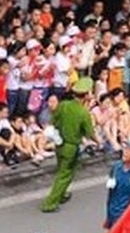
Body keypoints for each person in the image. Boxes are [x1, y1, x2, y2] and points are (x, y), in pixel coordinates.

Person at [40, 78, 94, 212]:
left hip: (59, 143)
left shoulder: (63, 105)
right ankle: (50, 203)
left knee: (61, 170)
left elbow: (54, 120)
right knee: (65, 175)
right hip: (71, 147)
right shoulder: (83, 112)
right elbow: (89, 133)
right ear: (86, 95)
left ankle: (62, 194)